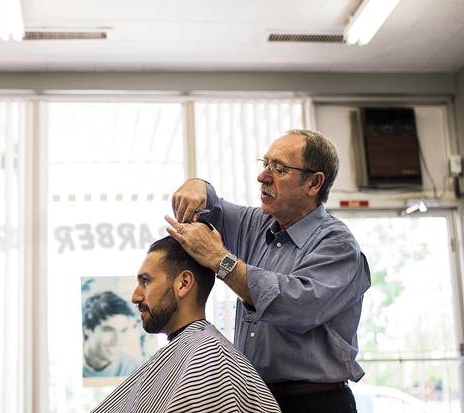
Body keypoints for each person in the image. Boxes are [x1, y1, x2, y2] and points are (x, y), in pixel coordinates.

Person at [165, 129, 371, 413]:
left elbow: (295, 306)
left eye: (279, 168)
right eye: (265, 163)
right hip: (259, 401)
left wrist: (220, 260)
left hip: (314, 403)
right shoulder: (258, 224)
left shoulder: (337, 244)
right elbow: (211, 204)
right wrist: (197, 184)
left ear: (313, 183)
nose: (262, 176)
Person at [92, 236, 281, 413]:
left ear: (183, 283)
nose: (135, 297)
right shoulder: (192, 351)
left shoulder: (208, 361)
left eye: (146, 281)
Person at [82, 291, 142, 377]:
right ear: (87, 329)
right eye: (108, 330)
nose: (118, 340)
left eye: (123, 330)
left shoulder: (132, 369)